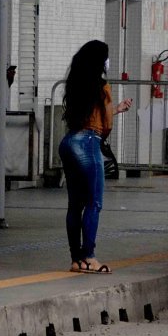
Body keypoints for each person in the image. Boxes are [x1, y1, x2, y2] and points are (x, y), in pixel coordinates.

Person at [59, 40, 131, 274]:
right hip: (89, 144)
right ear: (101, 61)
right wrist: (104, 133)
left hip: (69, 143)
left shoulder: (76, 84)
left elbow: (92, 116)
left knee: (74, 205)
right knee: (94, 203)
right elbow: (105, 124)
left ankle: (76, 260)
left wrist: (115, 108)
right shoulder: (103, 87)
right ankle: (90, 257)